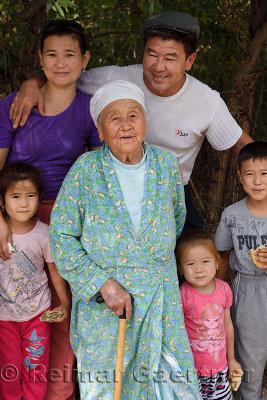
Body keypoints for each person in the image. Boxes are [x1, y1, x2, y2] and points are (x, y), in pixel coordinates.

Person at [8, 11, 253, 233]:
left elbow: (244, 147)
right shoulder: (117, 79)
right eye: (152, 54)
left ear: (189, 61)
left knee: (192, 258)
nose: (159, 66)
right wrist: (32, 84)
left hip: (171, 193)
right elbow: (65, 72)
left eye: (170, 58)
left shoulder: (206, 101)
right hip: (118, 191)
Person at [49, 80, 202, 399]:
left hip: (159, 301)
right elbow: (61, 236)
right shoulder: (85, 171)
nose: (126, 124)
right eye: (114, 117)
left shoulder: (165, 166)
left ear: (145, 121)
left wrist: (146, 263)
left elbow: (174, 221)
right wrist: (104, 285)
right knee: (109, 389)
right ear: (101, 132)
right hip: (107, 304)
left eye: (134, 115)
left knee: (172, 387)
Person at [0, 20, 102, 400]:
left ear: (85, 59)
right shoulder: (13, 105)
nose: (61, 63)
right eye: (52, 54)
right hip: (15, 217)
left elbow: (97, 175)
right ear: (40, 60)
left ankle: (57, 392)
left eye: (70, 54)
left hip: (66, 220)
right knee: (15, 301)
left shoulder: (91, 109)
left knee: (61, 306)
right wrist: (0, 220)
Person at [0, 162, 69, 400]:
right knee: (8, 372)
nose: (23, 202)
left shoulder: (44, 233)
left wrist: (65, 305)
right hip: (4, 318)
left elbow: (55, 272)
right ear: (2, 201)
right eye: (16, 196)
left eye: (30, 195)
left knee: (35, 370)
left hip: (38, 315)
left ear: (40, 199)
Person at [214, 142, 267, 400]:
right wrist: (216, 298)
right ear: (239, 176)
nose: (257, 181)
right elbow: (222, 255)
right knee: (250, 363)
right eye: (249, 173)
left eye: (265, 173)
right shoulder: (232, 215)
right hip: (247, 293)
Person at [176, 230, 243, 399]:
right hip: (191, 371)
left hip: (220, 369)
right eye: (190, 264)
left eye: (205, 261)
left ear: (217, 263)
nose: (198, 269)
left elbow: (227, 325)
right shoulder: (182, 295)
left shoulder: (223, 289)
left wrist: (232, 359)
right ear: (180, 269)